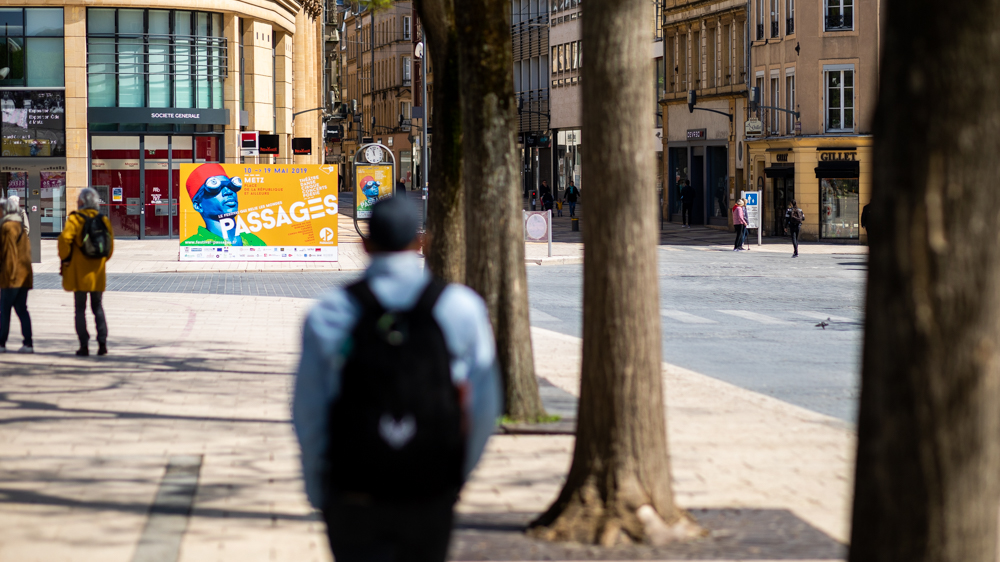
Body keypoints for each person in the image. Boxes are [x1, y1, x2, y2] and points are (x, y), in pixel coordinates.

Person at [292, 196, 502, 562]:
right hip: (428, 489)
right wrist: (456, 476)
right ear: (422, 242)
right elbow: (485, 405)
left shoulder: (330, 312)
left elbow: (309, 410)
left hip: (353, 489)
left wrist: (318, 487)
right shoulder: (461, 308)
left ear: (365, 245)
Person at [59, 188, 114, 356]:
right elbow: (110, 247)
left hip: (79, 273)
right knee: (97, 307)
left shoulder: (75, 219)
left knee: (80, 309)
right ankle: (102, 343)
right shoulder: (103, 220)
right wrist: (101, 260)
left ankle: (84, 345)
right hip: (97, 273)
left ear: (82, 202)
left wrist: (66, 258)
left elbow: (64, 240)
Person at [180, 163, 264, 247]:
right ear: (198, 205)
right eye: (216, 189)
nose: (228, 192)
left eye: (231, 186)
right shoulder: (192, 246)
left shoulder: (256, 242)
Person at [0, 196, 33, 353]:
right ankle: (28, 343)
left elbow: (10, 255)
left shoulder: (7, 227)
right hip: (24, 276)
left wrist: (11, 278)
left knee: (4, 310)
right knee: (22, 310)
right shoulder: (19, 227)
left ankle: (1, 343)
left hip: (12, 278)